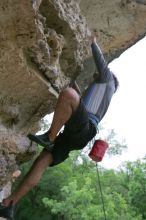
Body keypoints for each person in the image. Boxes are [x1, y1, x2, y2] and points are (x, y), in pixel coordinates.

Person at [0, 36, 119, 219]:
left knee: (69, 94)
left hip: (85, 128)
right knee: (42, 162)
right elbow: (81, 106)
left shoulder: (108, 81)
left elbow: (102, 65)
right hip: (77, 135)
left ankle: (50, 137)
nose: (96, 75)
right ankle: (10, 204)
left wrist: (92, 41)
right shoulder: (100, 93)